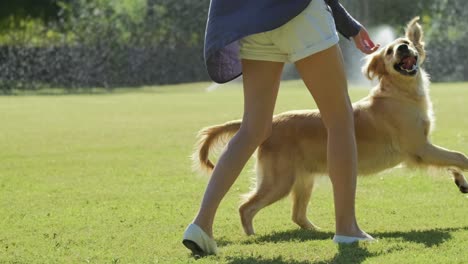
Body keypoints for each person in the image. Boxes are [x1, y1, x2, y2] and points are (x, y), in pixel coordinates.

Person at [183, 0, 380, 255]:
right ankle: (347, 229)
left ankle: (202, 224)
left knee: (253, 127)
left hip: (251, 21)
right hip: (299, 14)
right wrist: (348, 24)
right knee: (340, 120)